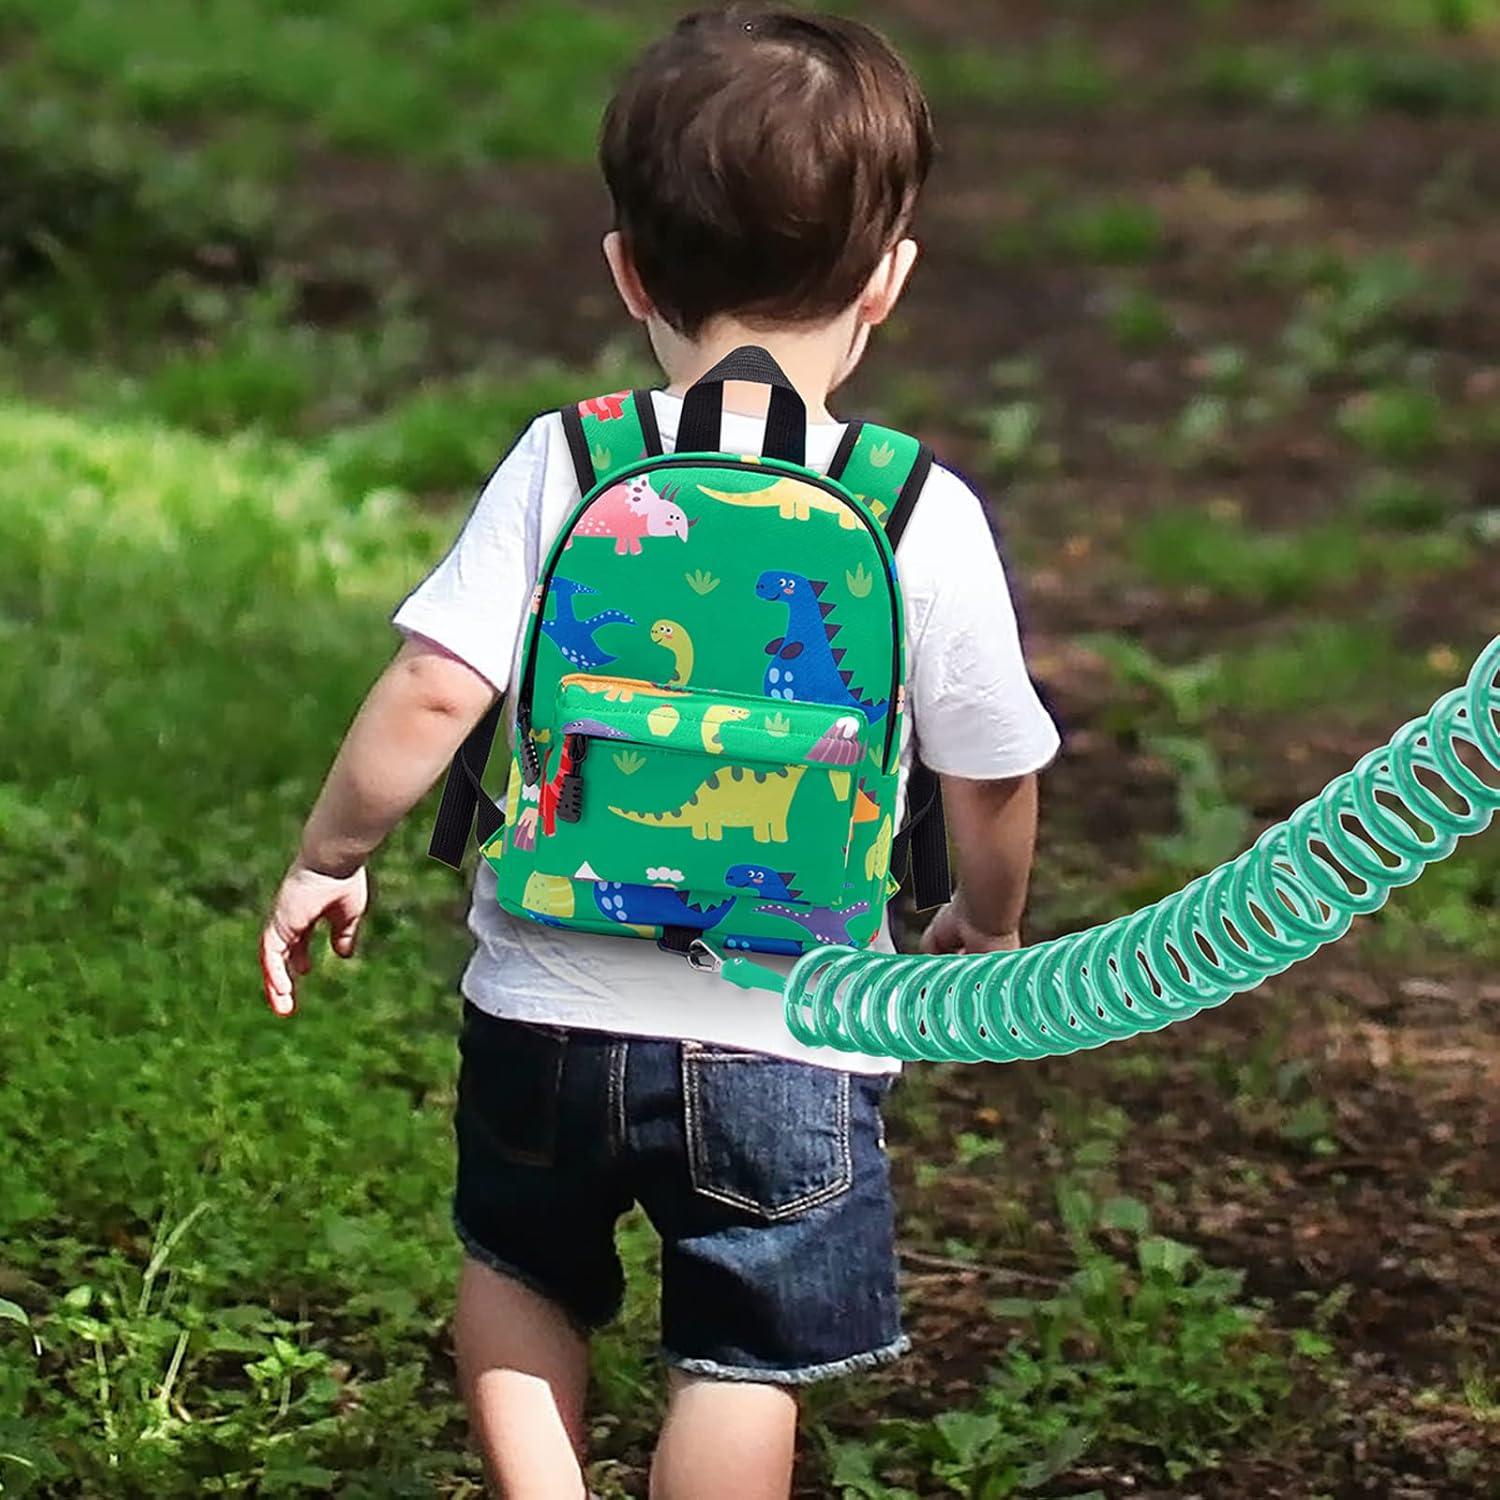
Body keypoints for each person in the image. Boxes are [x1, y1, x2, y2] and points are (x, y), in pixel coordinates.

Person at [259, 9, 1060, 1498]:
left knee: (520, 1266)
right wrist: (990, 921)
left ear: (627, 268)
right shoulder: (910, 509)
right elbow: (993, 770)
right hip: (795, 1032)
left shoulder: (568, 461)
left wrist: (328, 856)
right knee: (742, 1354)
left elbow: (437, 690)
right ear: (889, 281)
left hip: (544, 1011)